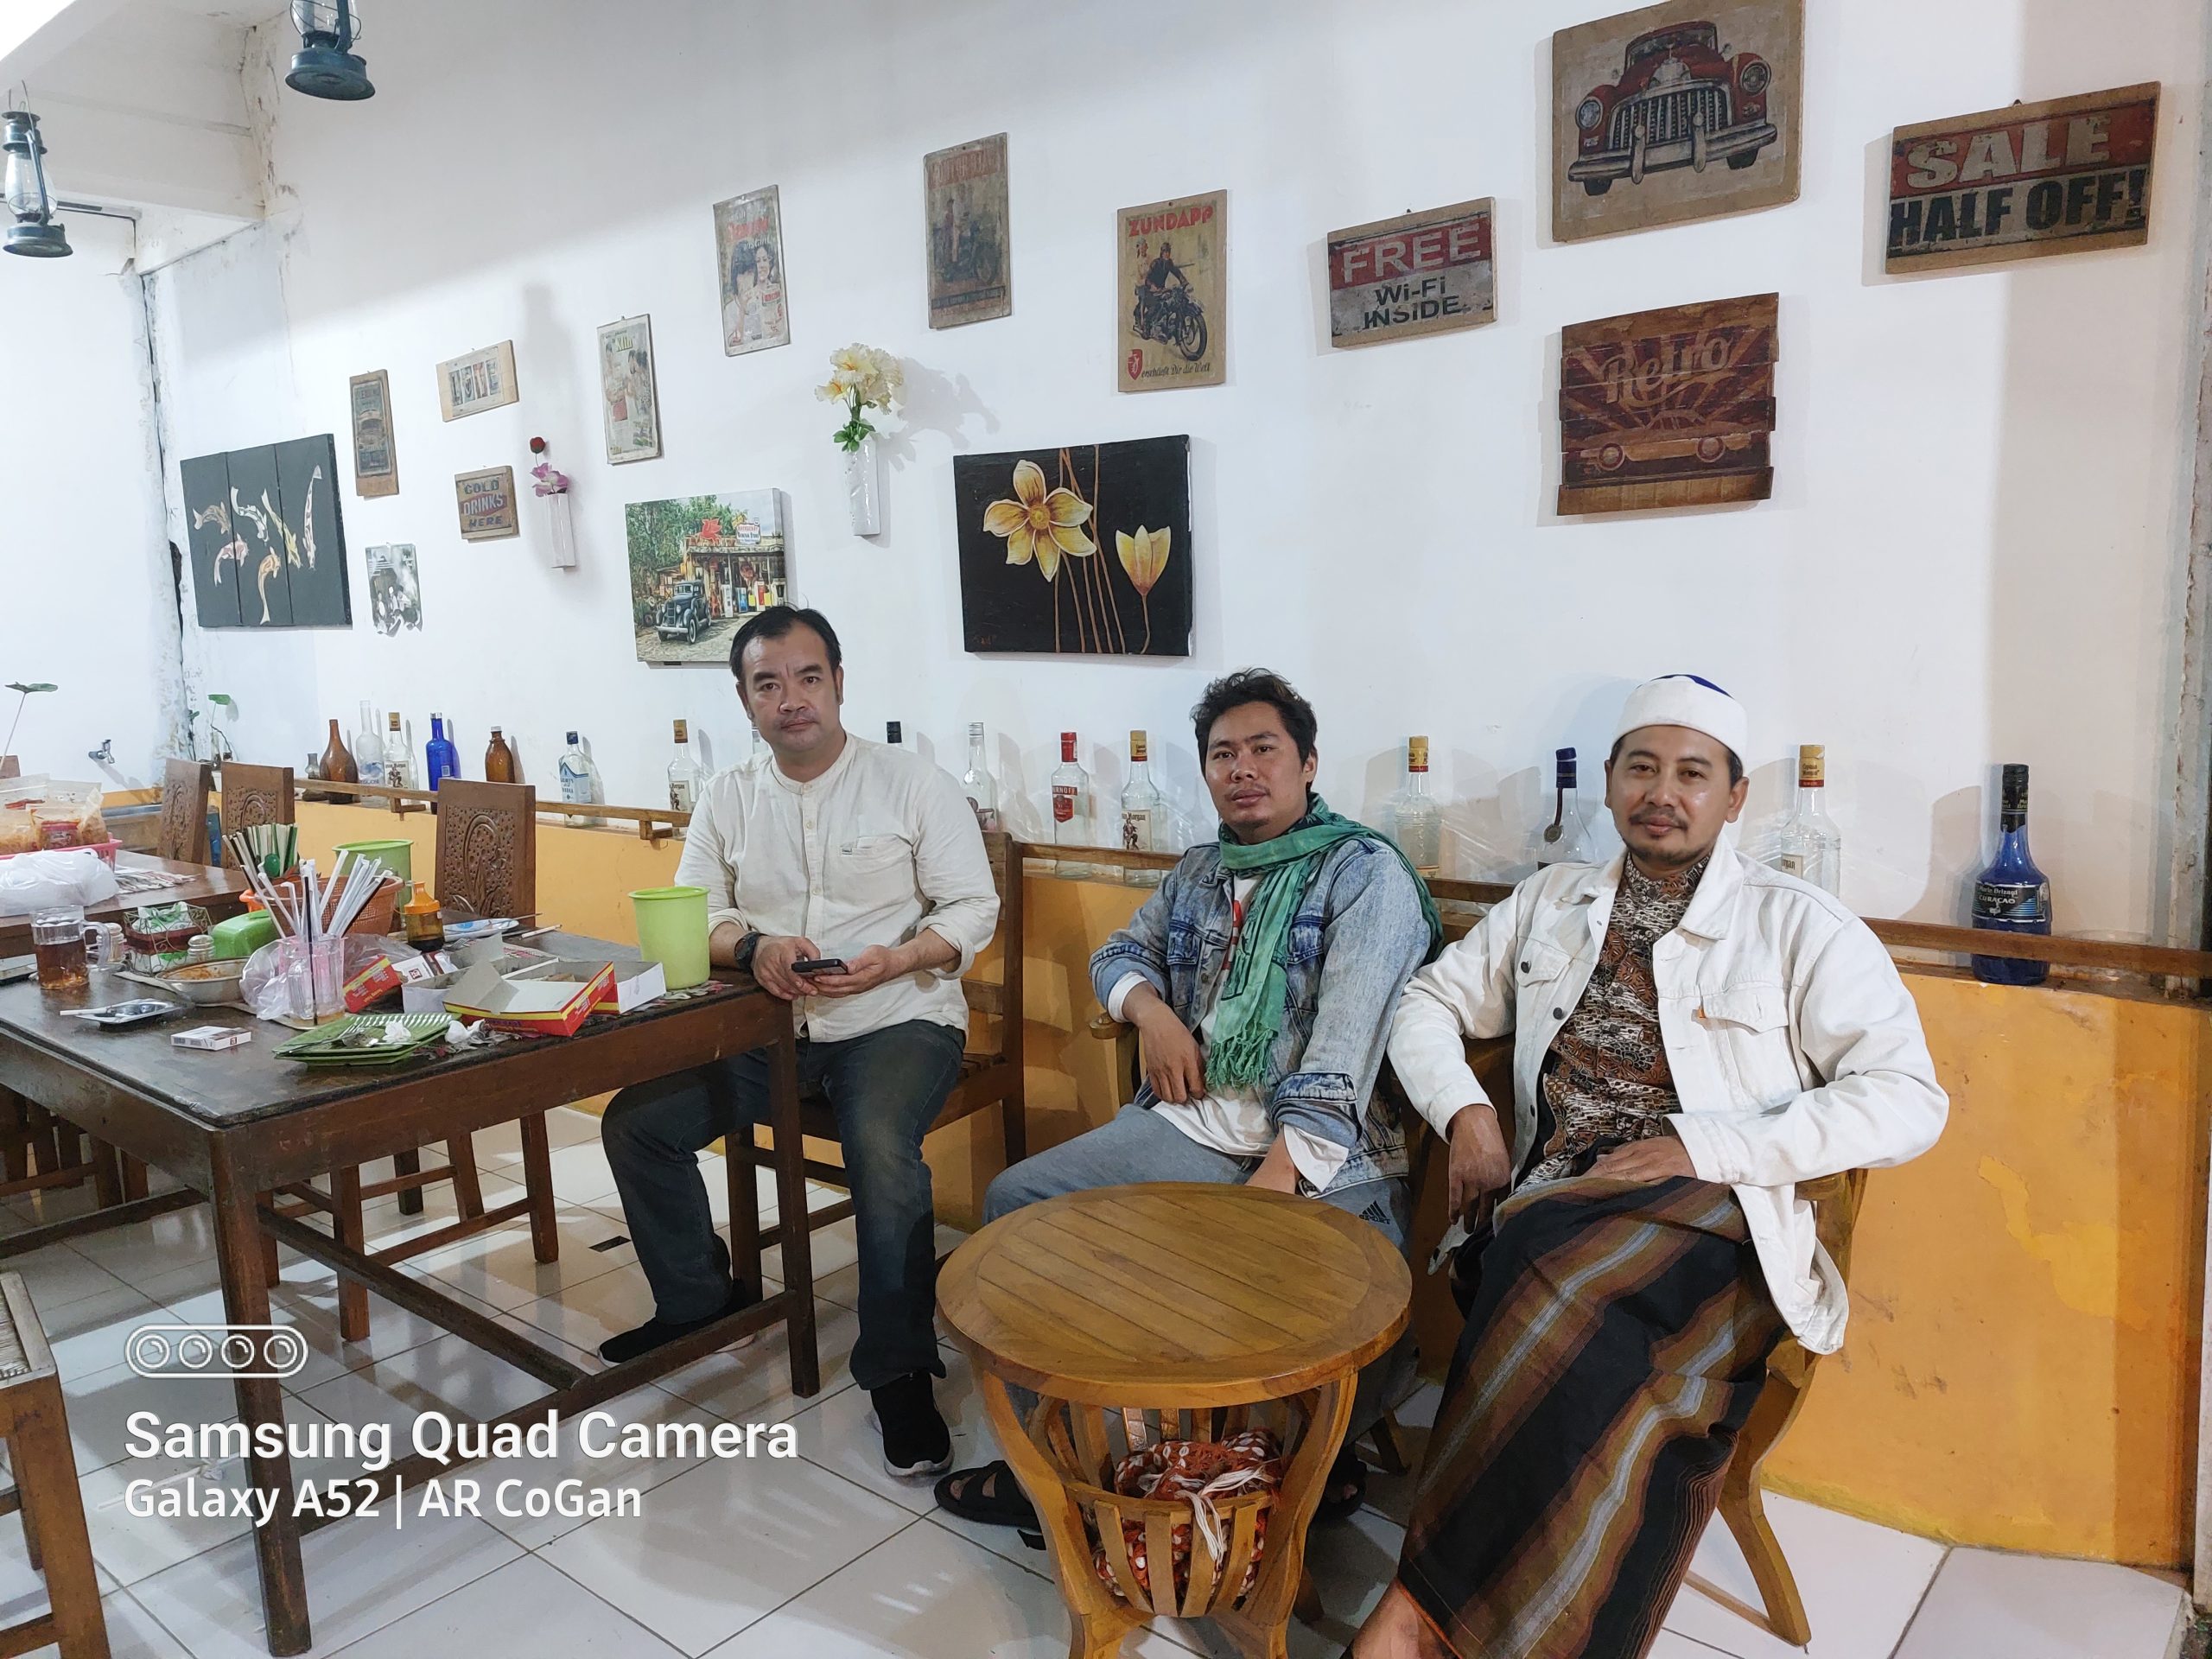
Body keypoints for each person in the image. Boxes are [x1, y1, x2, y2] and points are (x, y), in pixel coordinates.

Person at [1348, 674, 1948, 1659]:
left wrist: (1707, 1145)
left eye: (1691, 773)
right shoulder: (1549, 902)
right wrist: (1467, 1115)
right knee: (1547, 1269)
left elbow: (1908, 1098)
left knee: (1536, 1266)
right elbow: (1426, 1003)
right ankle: (1466, 1620)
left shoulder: (1800, 925)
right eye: (1641, 768)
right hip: (1557, 1205)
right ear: (1613, 785)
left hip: (1717, 1220)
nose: (1661, 792)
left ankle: (1413, 1616)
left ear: (1733, 796)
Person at [935, 668, 1440, 1541]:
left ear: (1309, 763)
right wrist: (1154, 1016)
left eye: (1263, 749)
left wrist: (1278, 1184)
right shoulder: (1202, 869)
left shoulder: (1366, 876)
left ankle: (1273, 1469)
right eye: (1222, 754)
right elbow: (1114, 957)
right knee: (1017, 1200)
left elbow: (1343, 1051)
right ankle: (1050, 1467)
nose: (1242, 769)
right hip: (1193, 1126)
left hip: (1326, 1153)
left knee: (1325, 1293)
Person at [597, 605, 1000, 1478]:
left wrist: (897, 959)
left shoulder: (910, 782)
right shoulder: (729, 796)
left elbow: (973, 909)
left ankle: (897, 1371)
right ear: (743, 701)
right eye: (767, 684)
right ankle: (700, 1301)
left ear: (839, 683)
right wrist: (752, 948)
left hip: (895, 1020)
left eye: (808, 678)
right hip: (767, 1031)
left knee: (880, 1153)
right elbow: (694, 910)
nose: (792, 700)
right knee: (636, 1124)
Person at [1134, 237, 1186, 336]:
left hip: (1161, 290)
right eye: (1165, 252)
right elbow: (1148, 279)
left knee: (1170, 303)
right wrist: (1152, 286)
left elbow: (1177, 272)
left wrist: (1184, 282)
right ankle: (1146, 323)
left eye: (1168, 252)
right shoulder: (1155, 263)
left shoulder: (1169, 263)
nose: (1167, 254)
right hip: (1149, 290)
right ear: (1161, 253)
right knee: (1157, 306)